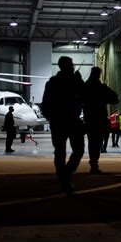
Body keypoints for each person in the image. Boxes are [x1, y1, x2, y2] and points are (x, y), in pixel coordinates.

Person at [41, 56, 85, 194]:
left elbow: (45, 104)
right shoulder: (73, 81)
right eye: (71, 64)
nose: (73, 66)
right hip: (70, 120)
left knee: (60, 152)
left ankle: (63, 175)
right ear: (66, 66)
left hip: (58, 121)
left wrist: (52, 118)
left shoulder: (52, 82)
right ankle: (66, 175)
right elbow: (84, 95)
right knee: (77, 150)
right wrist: (79, 81)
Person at [82, 67, 119, 174]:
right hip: (99, 119)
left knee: (91, 142)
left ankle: (93, 163)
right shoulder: (101, 88)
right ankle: (94, 163)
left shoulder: (85, 86)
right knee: (97, 142)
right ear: (99, 74)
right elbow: (115, 98)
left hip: (89, 118)